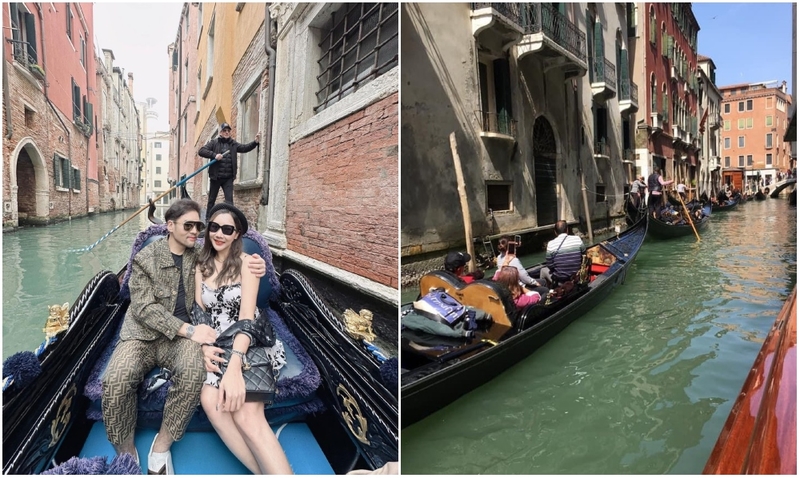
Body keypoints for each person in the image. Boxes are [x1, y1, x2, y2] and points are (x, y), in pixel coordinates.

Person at [101, 199, 267, 475]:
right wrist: (191, 331)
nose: (195, 231)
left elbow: (231, 259)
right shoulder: (146, 257)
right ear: (169, 226)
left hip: (180, 341)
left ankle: (162, 445)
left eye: (198, 226)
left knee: (193, 374)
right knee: (116, 378)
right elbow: (142, 308)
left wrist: (256, 262)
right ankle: (126, 451)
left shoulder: (200, 257)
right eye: (188, 225)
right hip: (141, 337)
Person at [194, 203, 293, 475]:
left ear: (237, 234)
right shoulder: (200, 265)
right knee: (212, 402)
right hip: (215, 341)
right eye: (214, 227)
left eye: (227, 229)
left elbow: (247, 319)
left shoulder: (249, 264)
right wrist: (204, 347)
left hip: (246, 340)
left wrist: (235, 366)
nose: (219, 234)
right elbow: (199, 310)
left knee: (247, 416)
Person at [198, 123, 260, 220]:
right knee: (211, 200)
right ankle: (208, 221)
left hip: (228, 178)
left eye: (228, 131)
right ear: (221, 132)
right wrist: (214, 155)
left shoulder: (233, 144)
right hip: (216, 177)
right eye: (224, 131)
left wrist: (255, 142)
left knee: (229, 202)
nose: (227, 132)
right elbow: (201, 151)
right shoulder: (214, 142)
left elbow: (244, 148)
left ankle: (229, 220)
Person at [538, 220, 585, 286]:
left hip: (560, 280)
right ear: (567, 230)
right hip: (576, 277)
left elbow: (550, 265)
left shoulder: (551, 244)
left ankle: (548, 291)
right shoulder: (577, 239)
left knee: (543, 270)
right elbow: (584, 255)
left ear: (555, 232)